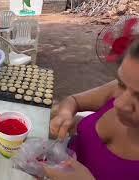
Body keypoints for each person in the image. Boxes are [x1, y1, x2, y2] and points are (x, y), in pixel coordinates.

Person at [45, 40, 139, 179]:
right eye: (121, 83)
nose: (118, 103)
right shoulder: (127, 83)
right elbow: (74, 100)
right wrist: (65, 113)